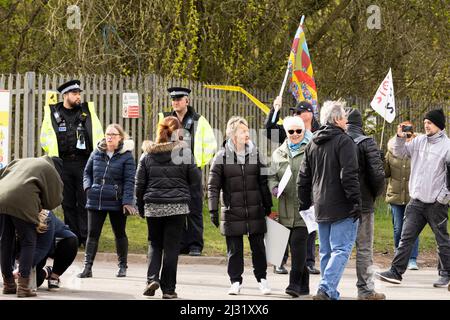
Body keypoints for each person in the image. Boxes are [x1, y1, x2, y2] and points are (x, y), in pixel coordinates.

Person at [376, 109, 450, 288]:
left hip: (436, 203)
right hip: (416, 202)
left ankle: (446, 274)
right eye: (425, 122)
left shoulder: (447, 146)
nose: (426, 125)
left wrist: (443, 197)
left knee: (442, 240)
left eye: (430, 123)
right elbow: (399, 152)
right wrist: (400, 137)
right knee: (405, 237)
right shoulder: (418, 141)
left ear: (439, 126)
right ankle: (395, 272)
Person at [298, 99, 361, 300]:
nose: (346, 122)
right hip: (342, 205)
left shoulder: (312, 143)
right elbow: (349, 175)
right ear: (336, 119)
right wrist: (355, 202)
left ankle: (329, 293)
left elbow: (303, 178)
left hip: (320, 205)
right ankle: (325, 288)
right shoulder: (345, 142)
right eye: (344, 117)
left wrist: (304, 203)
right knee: (341, 250)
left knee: (326, 251)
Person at [135, 116, 201, 299]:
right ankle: (169, 290)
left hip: (153, 206)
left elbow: (139, 185)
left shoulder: (147, 155)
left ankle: (151, 279)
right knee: (171, 248)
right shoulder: (184, 154)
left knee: (154, 244)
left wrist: (141, 207)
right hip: (177, 207)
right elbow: (195, 180)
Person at [208, 116, 273, 295]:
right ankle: (235, 282)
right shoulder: (221, 157)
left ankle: (262, 280)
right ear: (233, 134)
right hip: (232, 210)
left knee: (258, 247)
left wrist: (267, 204)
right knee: (234, 250)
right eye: (243, 131)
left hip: (255, 209)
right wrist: (213, 209)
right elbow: (213, 186)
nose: (247, 133)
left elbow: (263, 181)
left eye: (247, 130)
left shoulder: (256, 154)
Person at [40, 80, 104, 247]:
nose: (78, 97)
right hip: (62, 163)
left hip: (83, 162)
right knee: (67, 202)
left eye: (79, 93)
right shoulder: (53, 112)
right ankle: (72, 235)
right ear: (66, 95)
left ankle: (85, 236)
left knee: (84, 200)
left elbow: (97, 134)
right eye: (75, 94)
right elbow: (45, 137)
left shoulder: (87, 111)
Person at [265, 96, 321, 275]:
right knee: (284, 227)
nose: (295, 134)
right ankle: (280, 261)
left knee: (308, 230)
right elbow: (270, 130)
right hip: (286, 196)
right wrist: (275, 110)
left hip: (308, 197)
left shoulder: (318, 134)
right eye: (292, 131)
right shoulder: (285, 138)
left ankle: (309, 262)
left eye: (302, 112)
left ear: (310, 114)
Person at [158, 87, 217, 257]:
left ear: (187, 101)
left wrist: (197, 164)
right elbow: (159, 140)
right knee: (174, 208)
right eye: (173, 99)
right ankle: (180, 243)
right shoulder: (165, 118)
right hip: (171, 170)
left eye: (179, 98)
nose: (175, 101)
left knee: (194, 207)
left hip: (191, 170)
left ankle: (195, 245)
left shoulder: (199, 120)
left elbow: (210, 145)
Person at [78, 124, 136, 278]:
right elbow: (87, 173)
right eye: (107, 134)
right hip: (96, 199)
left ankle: (122, 266)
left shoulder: (127, 156)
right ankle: (87, 268)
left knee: (119, 234)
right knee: (92, 234)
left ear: (120, 138)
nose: (109, 137)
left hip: (116, 201)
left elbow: (130, 181)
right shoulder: (96, 152)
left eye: (113, 134)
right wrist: (88, 188)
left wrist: (127, 202)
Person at [0, 156, 63, 297]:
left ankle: (8, 284)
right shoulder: (50, 169)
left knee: (5, 241)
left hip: (1, 198)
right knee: (28, 241)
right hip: (23, 202)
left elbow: (2, 175)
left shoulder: (21, 161)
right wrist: (41, 205)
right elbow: (54, 200)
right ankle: (23, 287)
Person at [268, 116, 312, 297]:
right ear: (286, 133)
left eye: (298, 131)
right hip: (285, 207)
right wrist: (274, 188)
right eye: (291, 131)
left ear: (303, 131)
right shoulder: (278, 153)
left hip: (305, 209)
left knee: (297, 244)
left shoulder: (311, 149)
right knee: (290, 244)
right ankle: (305, 284)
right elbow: (271, 176)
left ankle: (293, 284)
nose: (295, 134)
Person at [346, 108, 386, 300]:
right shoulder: (366, 142)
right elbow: (378, 176)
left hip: (337, 204)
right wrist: (375, 194)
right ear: (360, 124)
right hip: (363, 203)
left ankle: (326, 289)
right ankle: (366, 290)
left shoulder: (335, 141)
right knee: (364, 248)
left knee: (336, 249)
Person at [385, 121, 421, 270]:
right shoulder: (392, 149)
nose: (406, 131)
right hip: (396, 195)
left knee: (413, 228)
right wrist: (380, 161)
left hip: (414, 195)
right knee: (398, 228)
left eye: (408, 128)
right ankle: (399, 254)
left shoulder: (418, 148)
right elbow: (385, 173)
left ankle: (412, 258)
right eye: (402, 128)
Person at [24, 210, 78, 291]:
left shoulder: (46, 215)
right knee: (34, 282)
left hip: (47, 245)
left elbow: (42, 248)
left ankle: (54, 276)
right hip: (32, 248)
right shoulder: (10, 215)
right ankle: (47, 272)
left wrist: (23, 267)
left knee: (71, 241)